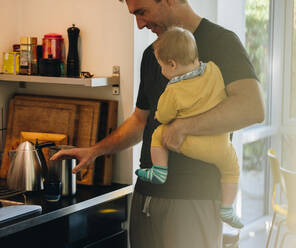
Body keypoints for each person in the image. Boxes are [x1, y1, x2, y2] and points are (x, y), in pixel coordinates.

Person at [50, 0, 265, 247]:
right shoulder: (152, 55)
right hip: (145, 197)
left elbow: (252, 107)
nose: (139, 24)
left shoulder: (221, 42)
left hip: (193, 199)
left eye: (142, 12)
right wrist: (96, 151)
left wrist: (183, 126)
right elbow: (140, 120)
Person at [135, 26, 243, 229]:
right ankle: (228, 208)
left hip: (191, 144)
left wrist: (159, 114)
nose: (161, 71)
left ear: (172, 64)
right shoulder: (213, 70)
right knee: (232, 170)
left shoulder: (173, 90)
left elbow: (165, 115)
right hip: (220, 146)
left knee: (158, 134)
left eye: (162, 67)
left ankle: (159, 170)